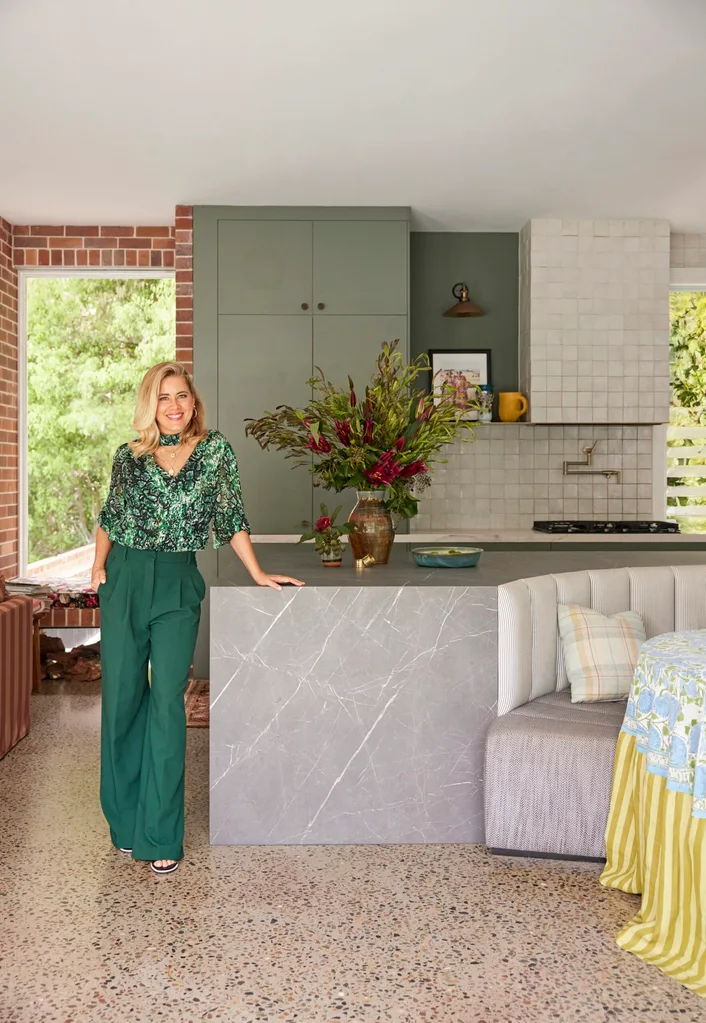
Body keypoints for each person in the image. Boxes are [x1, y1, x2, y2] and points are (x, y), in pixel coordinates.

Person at [92, 361, 304, 875]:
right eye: (163, 397)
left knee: (168, 702)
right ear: (150, 405)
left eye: (181, 395)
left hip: (178, 583)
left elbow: (230, 516)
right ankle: (124, 820)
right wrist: (98, 566)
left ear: (193, 402)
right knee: (121, 699)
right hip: (124, 576)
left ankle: (160, 834)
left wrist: (256, 572)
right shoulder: (129, 457)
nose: (173, 405)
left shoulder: (215, 453)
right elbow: (110, 516)